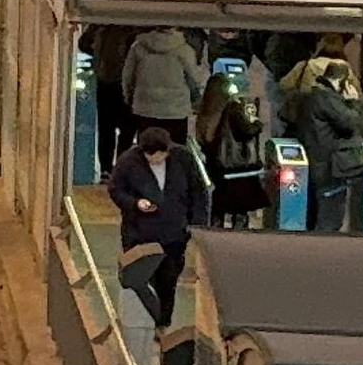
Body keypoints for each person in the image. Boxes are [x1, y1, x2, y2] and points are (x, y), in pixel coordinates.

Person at [108, 126, 210, 329]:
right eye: (150, 157)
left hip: (174, 234)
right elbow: (115, 190)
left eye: (160, 156)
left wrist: (197, 225)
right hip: (140, 234)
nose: (155, 160)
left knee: (168, 280)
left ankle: (162, 325)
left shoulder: (183, 159)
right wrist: (135, 203)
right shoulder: (128, 162)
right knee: (141, 281)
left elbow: (198, 192)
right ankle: (142, 324)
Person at [296, 60, 363, 234]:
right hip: (330, 166)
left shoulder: (311, 96)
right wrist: (353, 102)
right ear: (343, 80)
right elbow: (352, 124)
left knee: (316, 214)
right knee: (330, 218)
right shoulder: (327, 98)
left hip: (316, 161)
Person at [195, 73, 269, 226]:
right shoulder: (232, 107)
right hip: (236, 165)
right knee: (240, 206)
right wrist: (257, 123)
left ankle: (216, 228)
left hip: (215, 165)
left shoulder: (206, 109)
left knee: (219, 205)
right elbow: (245, 130)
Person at [122, 26, 205, 143]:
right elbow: (193, 79)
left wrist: (130, 99)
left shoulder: (138, 47)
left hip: (145, 109)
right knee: (175, 150)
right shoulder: (184, 49)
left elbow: (128, 78)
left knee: (148, 149)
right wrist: (195, 102)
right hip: (176, 110)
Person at [82, 24, 141, 178]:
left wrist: (99, 57)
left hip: (106, 80)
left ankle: (106, 169)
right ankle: (121, 168)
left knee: (106, 128)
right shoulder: (136, 28)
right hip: (129, 82)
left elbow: (84, 44)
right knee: (127, 130)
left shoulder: (102, 25)